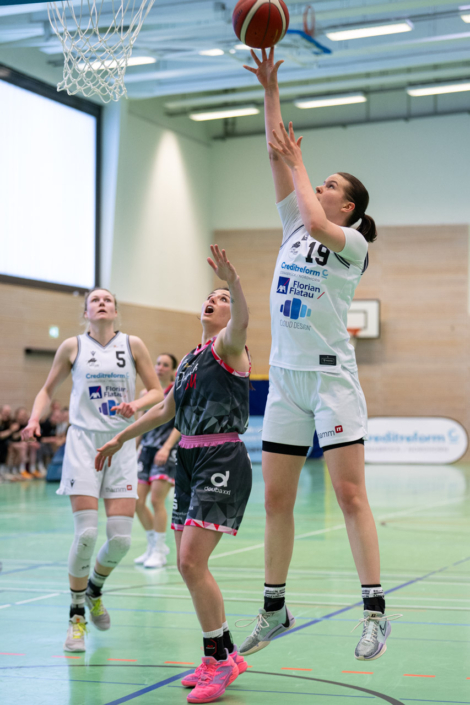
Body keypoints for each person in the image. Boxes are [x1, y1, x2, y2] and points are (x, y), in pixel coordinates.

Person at [239, 48, 397, 662]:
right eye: (320, 181)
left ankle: (375, 612)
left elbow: (308, 207)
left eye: (331, 185)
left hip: (332, 382)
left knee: (350, 496)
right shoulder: (294, 227)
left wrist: (300, 161)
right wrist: (270, 91)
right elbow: (274, 155)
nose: (319, 187)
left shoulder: (350, 243)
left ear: (348, 207)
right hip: (284, 380)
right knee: (276, 500)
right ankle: (274, 608)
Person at [95, 246, 252, 704]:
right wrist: (121, 438)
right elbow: (165, 410)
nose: (214, 300)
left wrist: (234, 282)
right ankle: (224, 654)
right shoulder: (189, 358)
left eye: (222, 299)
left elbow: (242, 320)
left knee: (190, 563)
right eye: (211, 296)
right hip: (187, 459)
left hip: (220, 458)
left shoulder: (229, 346)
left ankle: (218, 663)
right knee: (189, 566)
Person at [22, 287, 163, 653]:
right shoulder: (72, 347)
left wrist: (136, 405)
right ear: (86, 313)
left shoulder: (133, 345)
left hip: (121, 445)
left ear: (115, 311)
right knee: (86, 535)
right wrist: (35, 418)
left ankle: (95, 589)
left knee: (121, 540)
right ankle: (76, 617)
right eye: (95, 301)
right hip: (83, 444)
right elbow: (47, 390)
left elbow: (156, 392)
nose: (102, 304)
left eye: (107, 300)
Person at [134, 353, 181, 569]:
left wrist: (167, 447)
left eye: (165, 365)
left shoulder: (176, 391)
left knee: (156, 500)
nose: (160, 367)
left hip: (166, 451)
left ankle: (160, 550)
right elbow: (140, 425)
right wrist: (134, 449)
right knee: (137, 501)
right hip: (146, 451)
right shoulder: (146, 394)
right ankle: (153, 545)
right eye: (158, 363)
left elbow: (179, 424)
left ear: (173, 370)